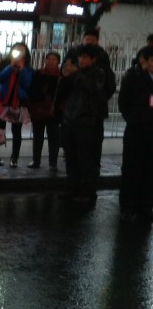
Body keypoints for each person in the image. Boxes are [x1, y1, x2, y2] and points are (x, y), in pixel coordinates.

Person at [58, 43, 108, 206]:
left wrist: (76, 74)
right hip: (70, 119)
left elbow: (93, 89)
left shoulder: (98, 73)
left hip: (86, 122)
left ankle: (87, 191)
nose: (81, 60)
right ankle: (72, 187)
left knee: (85, 159)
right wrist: (65, 76)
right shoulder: (75, 73)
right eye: (80, 57)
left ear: (93, 59)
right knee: (71, 157)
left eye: (85, 57)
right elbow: (63, 92)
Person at [117, 45, 153, 223]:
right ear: (143, 60)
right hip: (136, 130)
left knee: (149, 171)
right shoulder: (134, 77)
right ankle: (128, 207)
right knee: (132, 169)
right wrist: (134, 119)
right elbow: (123, 101)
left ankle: (146, 206)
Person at [0, 43, 34, 168]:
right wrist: (10, 67)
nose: (19, 52)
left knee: (16, 131)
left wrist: (22, 69)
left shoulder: (28, 68)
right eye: (16, 50)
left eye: (22, 50)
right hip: (3, 101)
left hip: (18, 103)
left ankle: (14, 157)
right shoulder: (5, 63)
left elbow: (27, 84)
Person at [26, 51, 62, 170]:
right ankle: (36, 160)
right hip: (39, 109)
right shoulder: (38, 73)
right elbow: (32, 90)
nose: (50, 62)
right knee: (38, 136)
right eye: (48, 59)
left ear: (58, 62)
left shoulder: (61, 76)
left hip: (53, 110)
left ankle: (53, 162)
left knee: (54, 137)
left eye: (54, 59)